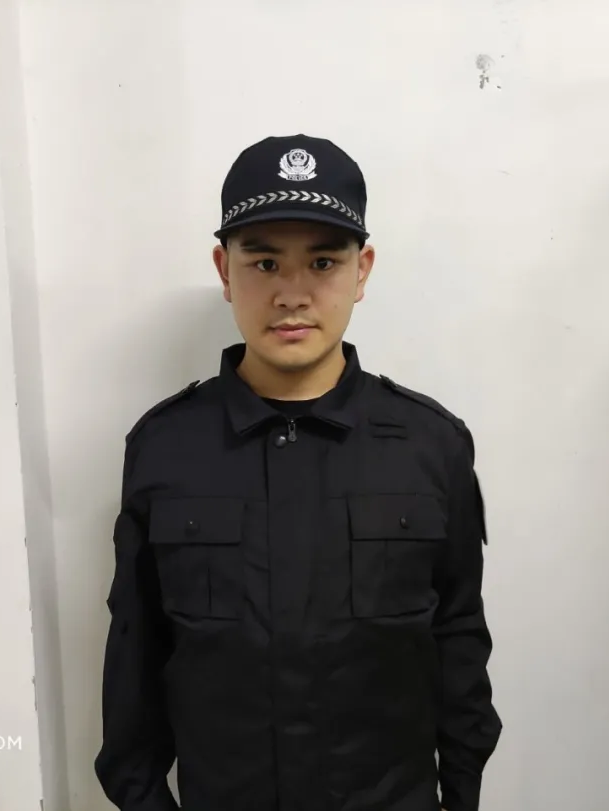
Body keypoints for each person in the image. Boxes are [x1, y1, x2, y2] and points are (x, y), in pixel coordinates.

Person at [94, 134, 502, 811]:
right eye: (264, 263)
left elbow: (459, 645)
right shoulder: (165, 448)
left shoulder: (431, 446)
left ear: (362, 270)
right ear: (225, 270)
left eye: (322, 261)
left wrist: (461, 796)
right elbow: (133, 662)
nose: (292, 294)